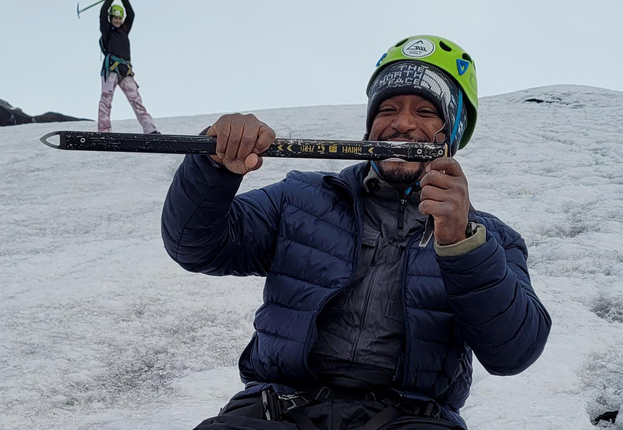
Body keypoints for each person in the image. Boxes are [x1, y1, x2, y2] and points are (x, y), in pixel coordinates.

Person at [161, 35, 551, 429]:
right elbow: (194, 245)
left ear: (451, 135)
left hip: (412, 420)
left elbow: (513, 353)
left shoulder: (491, 238)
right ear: (368, 129)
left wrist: (462, 244)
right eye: (387, 108)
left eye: (427, 112)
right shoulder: (300, 197)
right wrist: (211, 166)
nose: (402, 123)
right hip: (276, 410)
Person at [97, 0, 158, 134]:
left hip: (126, 70)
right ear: (111, 18)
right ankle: (104, 130)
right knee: (106, 99)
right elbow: (102, 15)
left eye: (119, 18)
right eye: (114, 18)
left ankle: (150, 129)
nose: (117, 20)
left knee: (136, 100)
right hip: (111, 69)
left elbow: (131, 14)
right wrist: (110, 0)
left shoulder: (124, 30)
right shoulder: (107, 32)